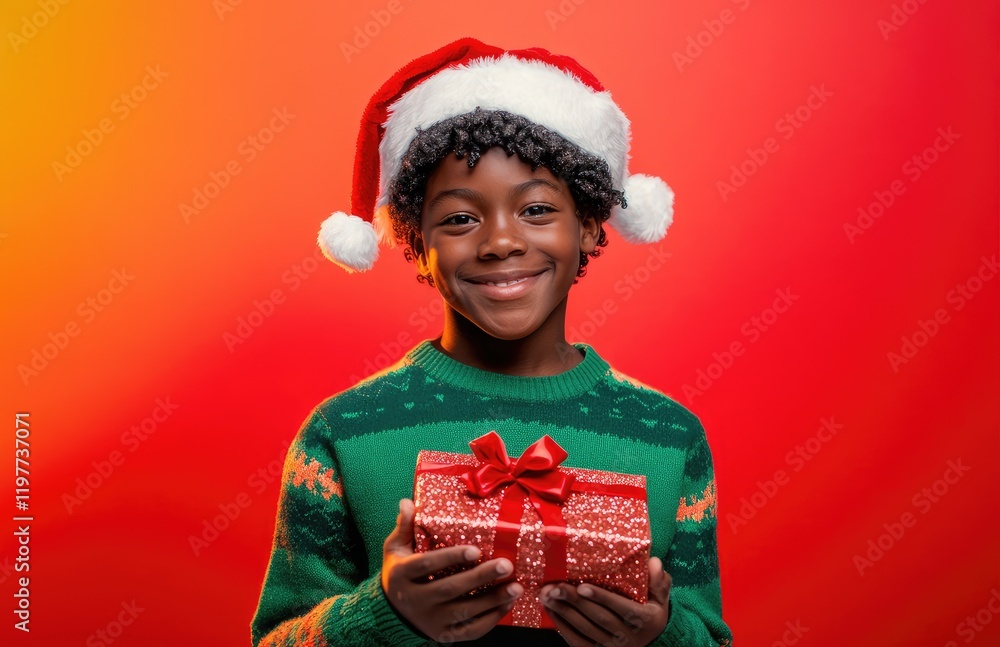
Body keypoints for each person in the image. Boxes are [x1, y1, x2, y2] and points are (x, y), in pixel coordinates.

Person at [251, 38, 732, 647]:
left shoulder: (668, 436)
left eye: (536, 210)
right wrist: (384, 615)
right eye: (458, 218)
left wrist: (660, 633)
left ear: (587, 225)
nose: (500, 241)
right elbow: (276, 640)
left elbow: (709, 636)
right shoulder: (345, 431)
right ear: (414, 239)